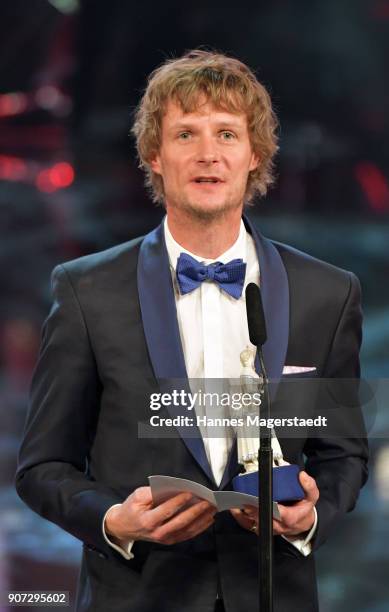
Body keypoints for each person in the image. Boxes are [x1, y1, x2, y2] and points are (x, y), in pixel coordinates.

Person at [16, 50, 368, 612]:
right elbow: (42, 468)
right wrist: (113, 520)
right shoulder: (87, 291)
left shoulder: (327, 293)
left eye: (227, 134)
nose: (209, 154)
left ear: (255, 154)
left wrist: (311, 517)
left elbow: (344, 456)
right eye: (186, 134)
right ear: (154, 155)